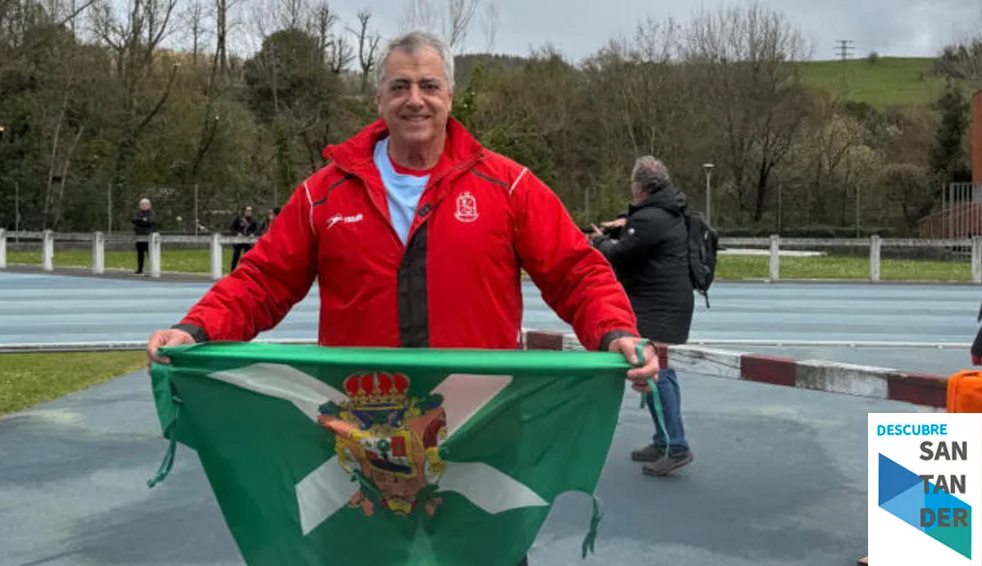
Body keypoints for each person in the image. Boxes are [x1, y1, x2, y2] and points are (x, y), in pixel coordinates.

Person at [146, 31, 660, 566]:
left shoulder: (507, 186)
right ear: (379, 100)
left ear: (450, 97)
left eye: (428, 85)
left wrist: (616, 330)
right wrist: (197, 329)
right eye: (400, 86)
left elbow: (576, 272)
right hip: (362, 443)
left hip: (478, 435)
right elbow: (262, 280)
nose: (415, 98)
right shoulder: (323, 194)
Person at [589, 155, 696, 477]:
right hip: (666, 303)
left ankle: (676, 446)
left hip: (657, 306)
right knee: (660, 370)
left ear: (639, 187)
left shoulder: (650, 218)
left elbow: (620, 257)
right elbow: (639, 237)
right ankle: (664, 438)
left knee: (655, 371)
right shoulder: (666, 212)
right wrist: (625, 224)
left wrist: (599, 242)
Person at [132, 198, 157, 275]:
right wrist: (143, 220)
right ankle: (139, 269)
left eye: (145, 204)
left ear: (149, 205)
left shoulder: (152, 213)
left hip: (149, 236)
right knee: (140, 253)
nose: (143, 206)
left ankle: (152, 269)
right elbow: (134, 220)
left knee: (150, 254)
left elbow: (151, 221)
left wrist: (141, 221)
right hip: (139, 235)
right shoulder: (137, 213)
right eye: (142, 204)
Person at [229, 206, 258, 271]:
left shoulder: (253, 220)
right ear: (244, 211)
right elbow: (232, 228)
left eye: (250, 211)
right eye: (247, 211)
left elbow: (257, 229)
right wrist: (237, 233)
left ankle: (245, 271)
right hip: (239, 241)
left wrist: (253, 234)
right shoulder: (238, 219)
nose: (249, 212)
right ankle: (232, 271)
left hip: (248, 241)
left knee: (247, 257)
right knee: (236, 256)